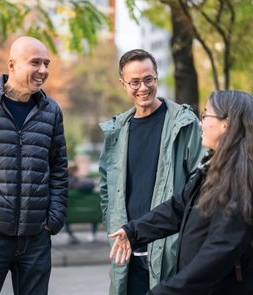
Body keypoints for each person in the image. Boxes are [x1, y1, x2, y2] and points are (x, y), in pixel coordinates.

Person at [109, 90, 253, 295]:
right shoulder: (213, 168)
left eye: (206, 114)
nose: (201, 122)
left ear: (226, 123)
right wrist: (133, 231)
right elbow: (179, 207)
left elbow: (217, 254)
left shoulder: (240, 180)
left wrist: (164, 291)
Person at [0, 36, 68, 295]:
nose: (43, 70)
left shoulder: (51, 111)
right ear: (12, 64)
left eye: (46, 64)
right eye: (35, 63)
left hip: (36, 237)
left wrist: (54, 219)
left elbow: (59, 169)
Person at [99, 49, 205, 294]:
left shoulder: (183, 124)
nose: (143, 88)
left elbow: (200, 186)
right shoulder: (117, 130)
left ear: (157, 77)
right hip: (127, 250)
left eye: (149, 79)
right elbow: (105, 186)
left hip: (171, 249)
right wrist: (112, 223)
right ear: (123, 84)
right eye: (134, 82)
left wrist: (186, 238)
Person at [65, 163, 98, 243]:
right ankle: (93, 234)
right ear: (75, 171)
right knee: (95, 212)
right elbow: (87, 186)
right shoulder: (75, 181)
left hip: (70, 213)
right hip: (87, 212)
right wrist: (92, 183)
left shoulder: (65, 181)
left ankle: (70, 235)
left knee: (66, 215)